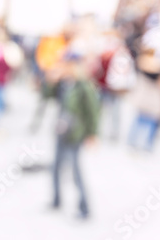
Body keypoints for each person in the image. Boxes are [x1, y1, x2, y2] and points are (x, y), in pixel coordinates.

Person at [45, 51, 100, 219]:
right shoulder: (63, 82)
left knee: (76, 171)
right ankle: (56, 200)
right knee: (55, 167)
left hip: (76, 133)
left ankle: (84, 208)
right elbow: (47, 96)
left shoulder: (84, 85)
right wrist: (49, 82)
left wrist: (92, 134)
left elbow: (93, 111)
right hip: (61, 130)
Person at [129, 52, 160, 151]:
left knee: (149, 122)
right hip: (148, 98)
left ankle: (144, 144)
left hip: (153, 100)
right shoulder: (147, 62)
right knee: (142, 120)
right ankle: (136, 143)